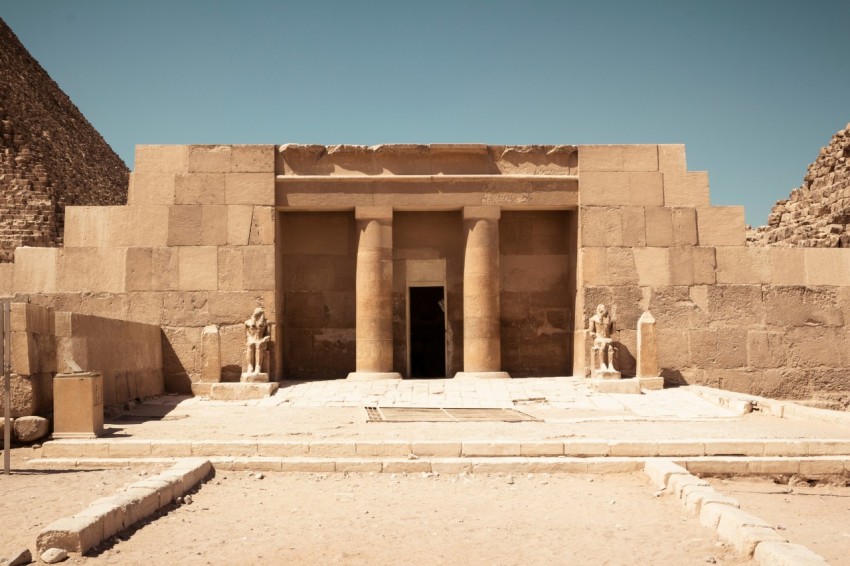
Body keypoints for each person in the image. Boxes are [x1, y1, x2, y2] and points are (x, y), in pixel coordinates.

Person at [588, 304, 616, 371]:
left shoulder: (609, 319)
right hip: (598, 338)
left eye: (605, 308)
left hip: (607, 338)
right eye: (604, 308)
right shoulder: (593, 319)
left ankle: (611, 365)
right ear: (600, 310)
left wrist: (614, 323)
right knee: (603, 345)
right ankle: (602, 364)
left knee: (610, 347)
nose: (606, 310)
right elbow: (591, 331)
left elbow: (612, 332)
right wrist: (593, 335)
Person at [244, 307, 270, 374]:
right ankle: (250, 366)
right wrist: (250, 339)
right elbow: (247, 335)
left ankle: (258, 367)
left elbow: (268, 335)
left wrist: (264, 339)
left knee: (258, 345)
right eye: (257, 315)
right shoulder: (247, 323)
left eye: (260, 315)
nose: (258, 316)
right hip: (252, 339)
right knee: (250, 344)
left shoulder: (266, 323)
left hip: (261, 340)